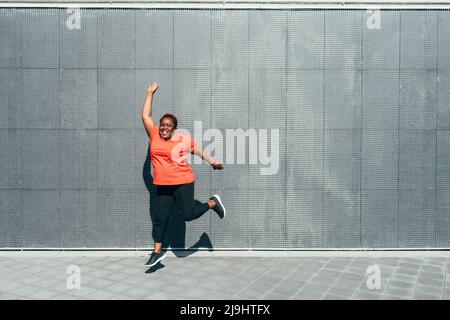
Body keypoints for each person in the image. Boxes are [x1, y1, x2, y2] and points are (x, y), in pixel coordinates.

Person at [141, 82, 226, 267]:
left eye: (168, 125)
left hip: (183, 182)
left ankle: (212, 203)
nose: (164, 127)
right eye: (162, 124)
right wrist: (150, 94)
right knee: (159, 218)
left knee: (187, 214)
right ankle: (157, 252)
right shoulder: (154, 134)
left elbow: (199, 151)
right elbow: (146, 115)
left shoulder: (182, 139)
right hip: (163, 186)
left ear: (174, 128)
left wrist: (212, 162)